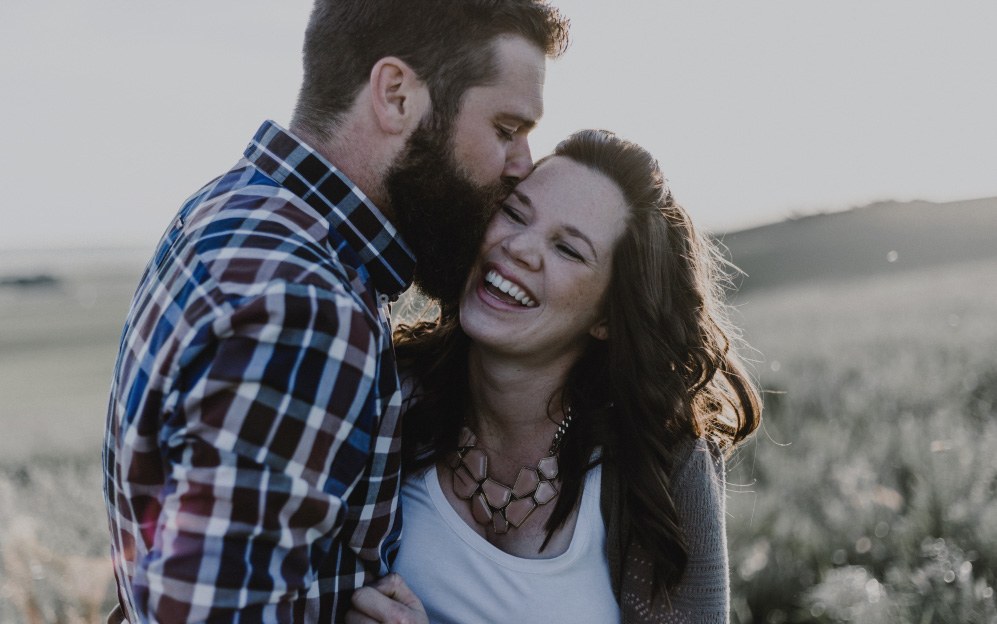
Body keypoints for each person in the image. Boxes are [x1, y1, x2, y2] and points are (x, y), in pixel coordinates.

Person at [102, 1, 569, 622]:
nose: (521, 166)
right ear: (397, 95)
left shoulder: (232, 207)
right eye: (506, 129)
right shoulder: (308, 305)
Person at [347, 129, 762, 623]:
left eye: (568, 249)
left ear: (607, 317)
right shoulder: (384, 388)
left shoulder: (661, 462)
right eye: (515, 213)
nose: (520, 247)